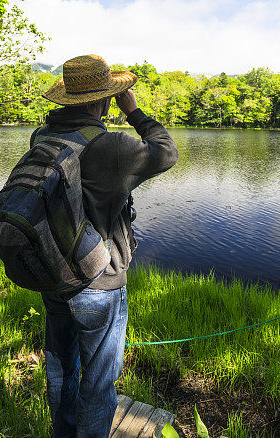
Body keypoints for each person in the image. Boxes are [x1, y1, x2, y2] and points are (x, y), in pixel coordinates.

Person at [32, 54, 178, 438]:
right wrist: (136, 111)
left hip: (52, 272)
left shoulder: (43, 137)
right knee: (98, 385)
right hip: (99, 281)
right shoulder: (113, 147)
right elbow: (166, 151)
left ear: (66, 100)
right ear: (107, 101)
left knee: (61, 369)